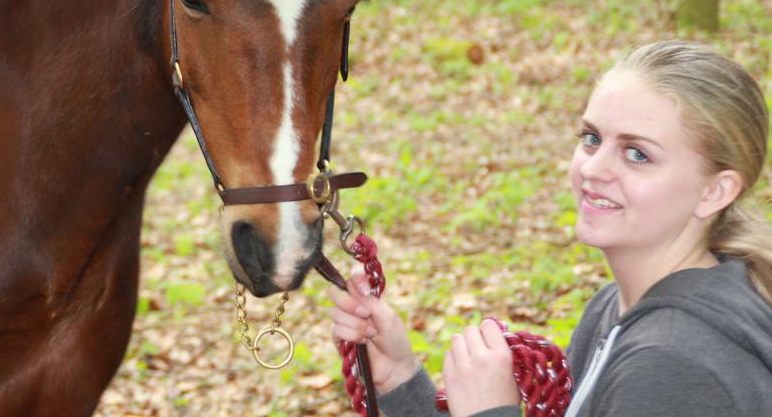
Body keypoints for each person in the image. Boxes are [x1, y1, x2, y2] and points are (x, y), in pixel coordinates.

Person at [331, 40, 772, 416]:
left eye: (638, 154)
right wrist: (401, 380)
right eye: (592, 138)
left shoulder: (674, 365)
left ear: (715, 192)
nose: (594, 168)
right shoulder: (615, 308)